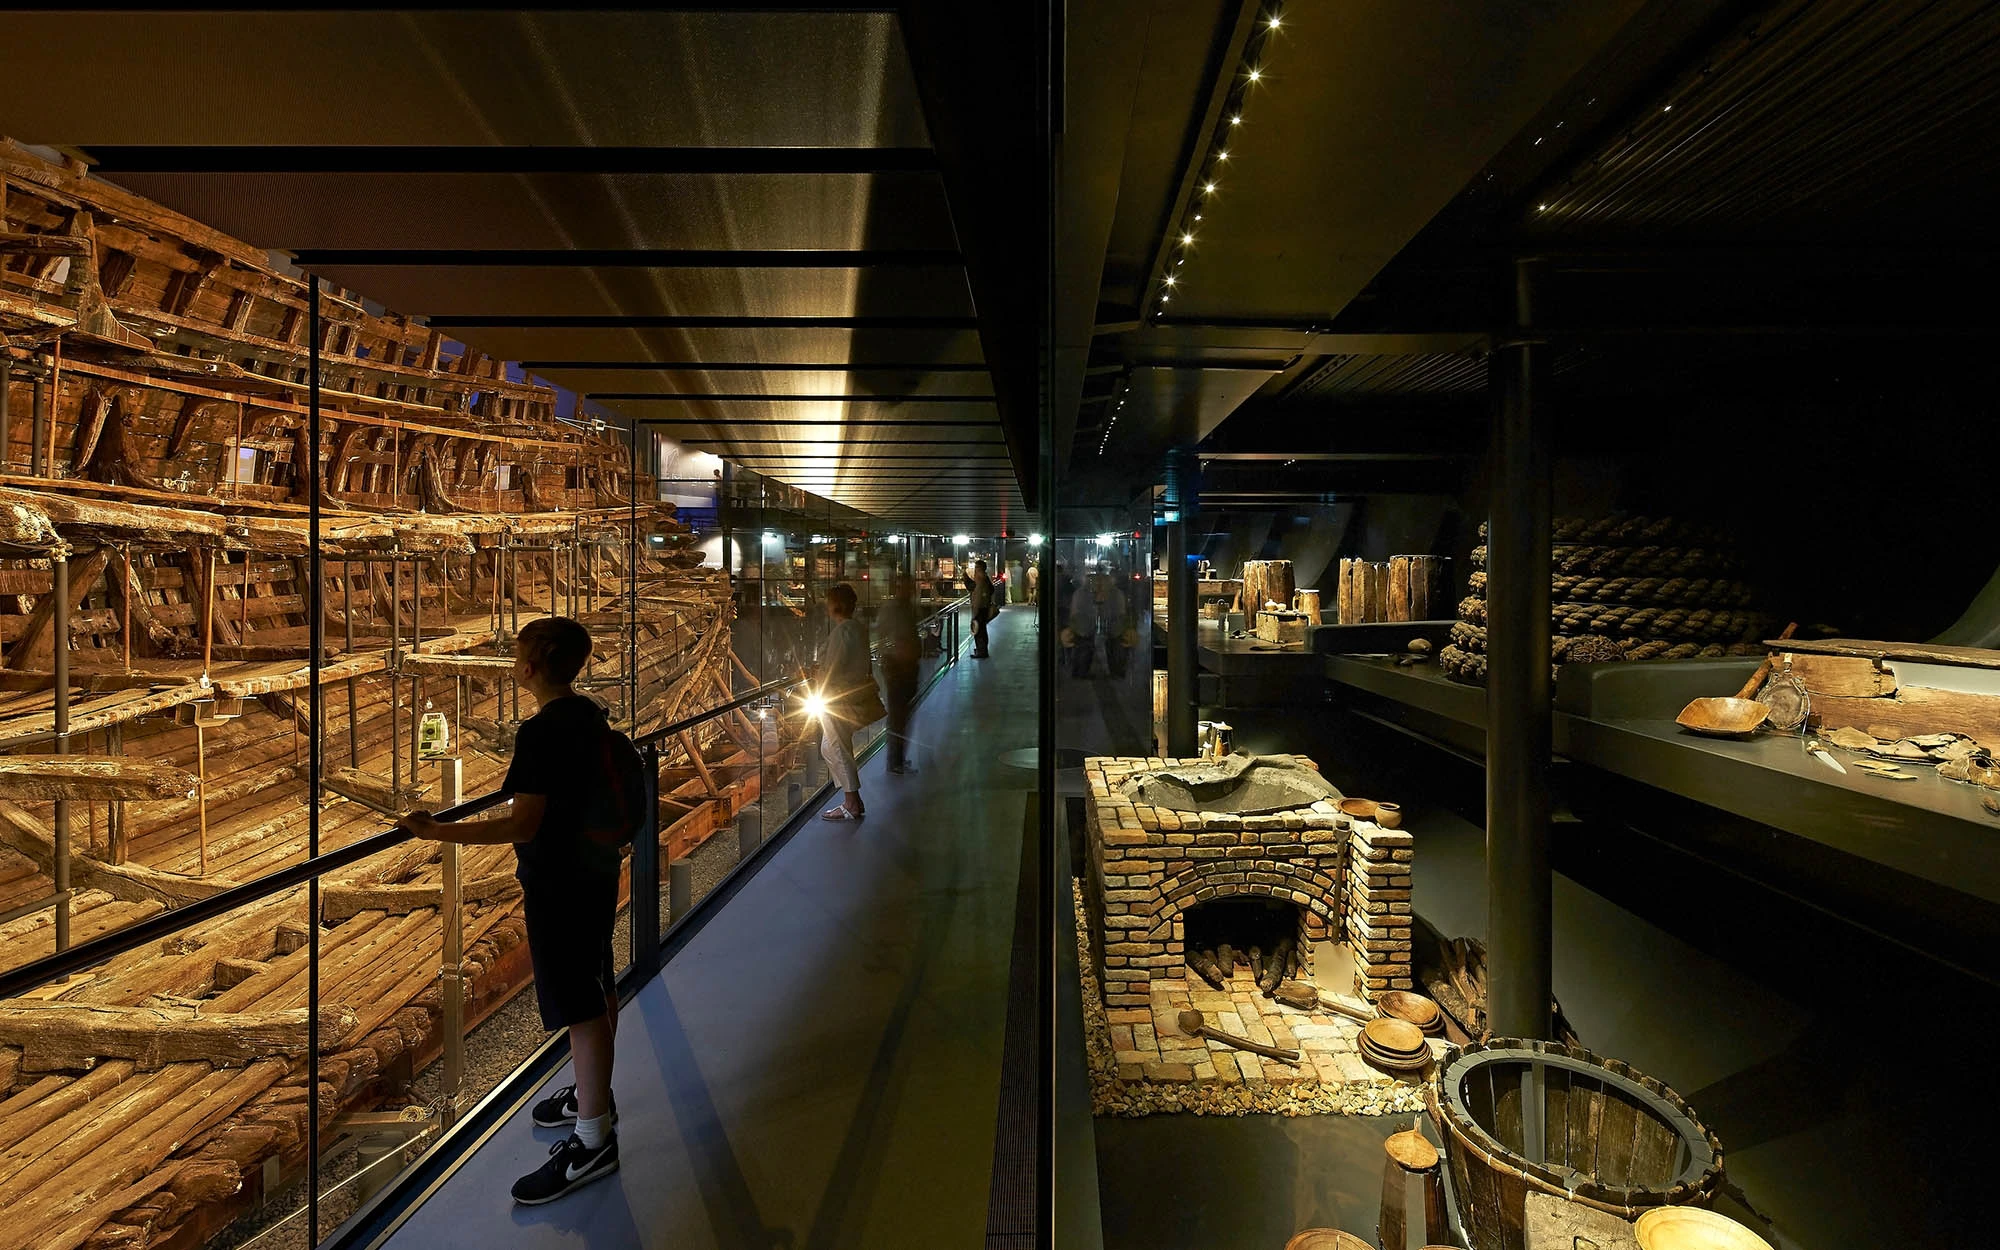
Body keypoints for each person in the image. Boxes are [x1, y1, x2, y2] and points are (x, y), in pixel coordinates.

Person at [399, 617, 621, 1205]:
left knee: (579, 999)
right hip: (597, 869)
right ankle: (592, 1094)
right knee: (597, 983)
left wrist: (439, 831)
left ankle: (593, 1139)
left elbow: (525, 822)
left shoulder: (540, 733)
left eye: (517, 650)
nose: (511, 658)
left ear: (531, 665)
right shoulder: (589, 715)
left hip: (561, 882)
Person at [816, 582, 878, 819]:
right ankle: (853, 799)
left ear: (835, 605)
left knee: (838, 748)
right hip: (847, 696)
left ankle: (851, 802)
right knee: (829, 747)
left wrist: (817, 677)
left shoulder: (842, 632)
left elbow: (833, 667)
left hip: (836, 698)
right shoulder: (857, 629)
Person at [876, 573, 921, 774]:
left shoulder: (905, 608)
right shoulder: (894, 609)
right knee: (897, 715)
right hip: (897, 667)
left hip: (906, 666)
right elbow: (885, 636)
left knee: (902, 714)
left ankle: (898, 759)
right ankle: (895, 761)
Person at [1100, 566, 1131, 678]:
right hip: (1117, 624)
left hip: (1115, 624)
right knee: (1116, 648)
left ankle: (1115, 670)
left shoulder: (1114, 593)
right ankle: (1117, 670)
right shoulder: (1119, 593)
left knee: (1113, 648)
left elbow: (1106, 609)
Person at [1068, 575, 1099, 678]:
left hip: (1080, 625)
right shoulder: (1085, 594)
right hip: (1084, 625)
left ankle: (1077, 671)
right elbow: (1089, 610)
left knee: (1079, 649)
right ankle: (1082, 672)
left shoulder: (1079, 593)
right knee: (1085, 649)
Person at [968, 558, 997, 659]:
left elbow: (978, 596)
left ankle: (981, 651)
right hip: (984, 607)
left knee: (978, 630)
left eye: (976, 567)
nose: (975, 570)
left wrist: (975, 611)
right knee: (982, 630)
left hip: (980, 608)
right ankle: (982, 649)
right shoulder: (985, 578)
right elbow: (991, 590)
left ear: (980, 569)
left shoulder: (980, 579)